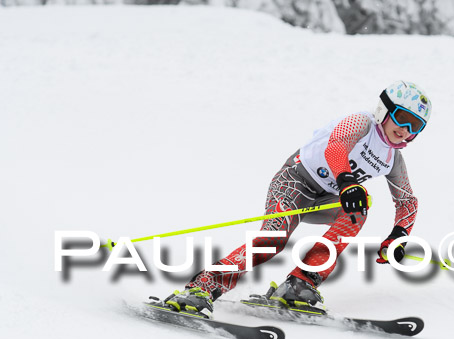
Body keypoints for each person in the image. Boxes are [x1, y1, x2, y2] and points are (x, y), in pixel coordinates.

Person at [161, 80, 432, 319]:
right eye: (402, 118)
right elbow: (336, 146)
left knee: (359, 209)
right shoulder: (362, 122)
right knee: (272, 240)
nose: (407, 130)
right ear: (384, 110)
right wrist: (348, 182)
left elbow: (407, 201)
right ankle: (203, 287)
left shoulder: (392, 158)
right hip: (294, 183)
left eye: (416, 126)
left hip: (324, 199)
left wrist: (398, 235)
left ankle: (300, 284)